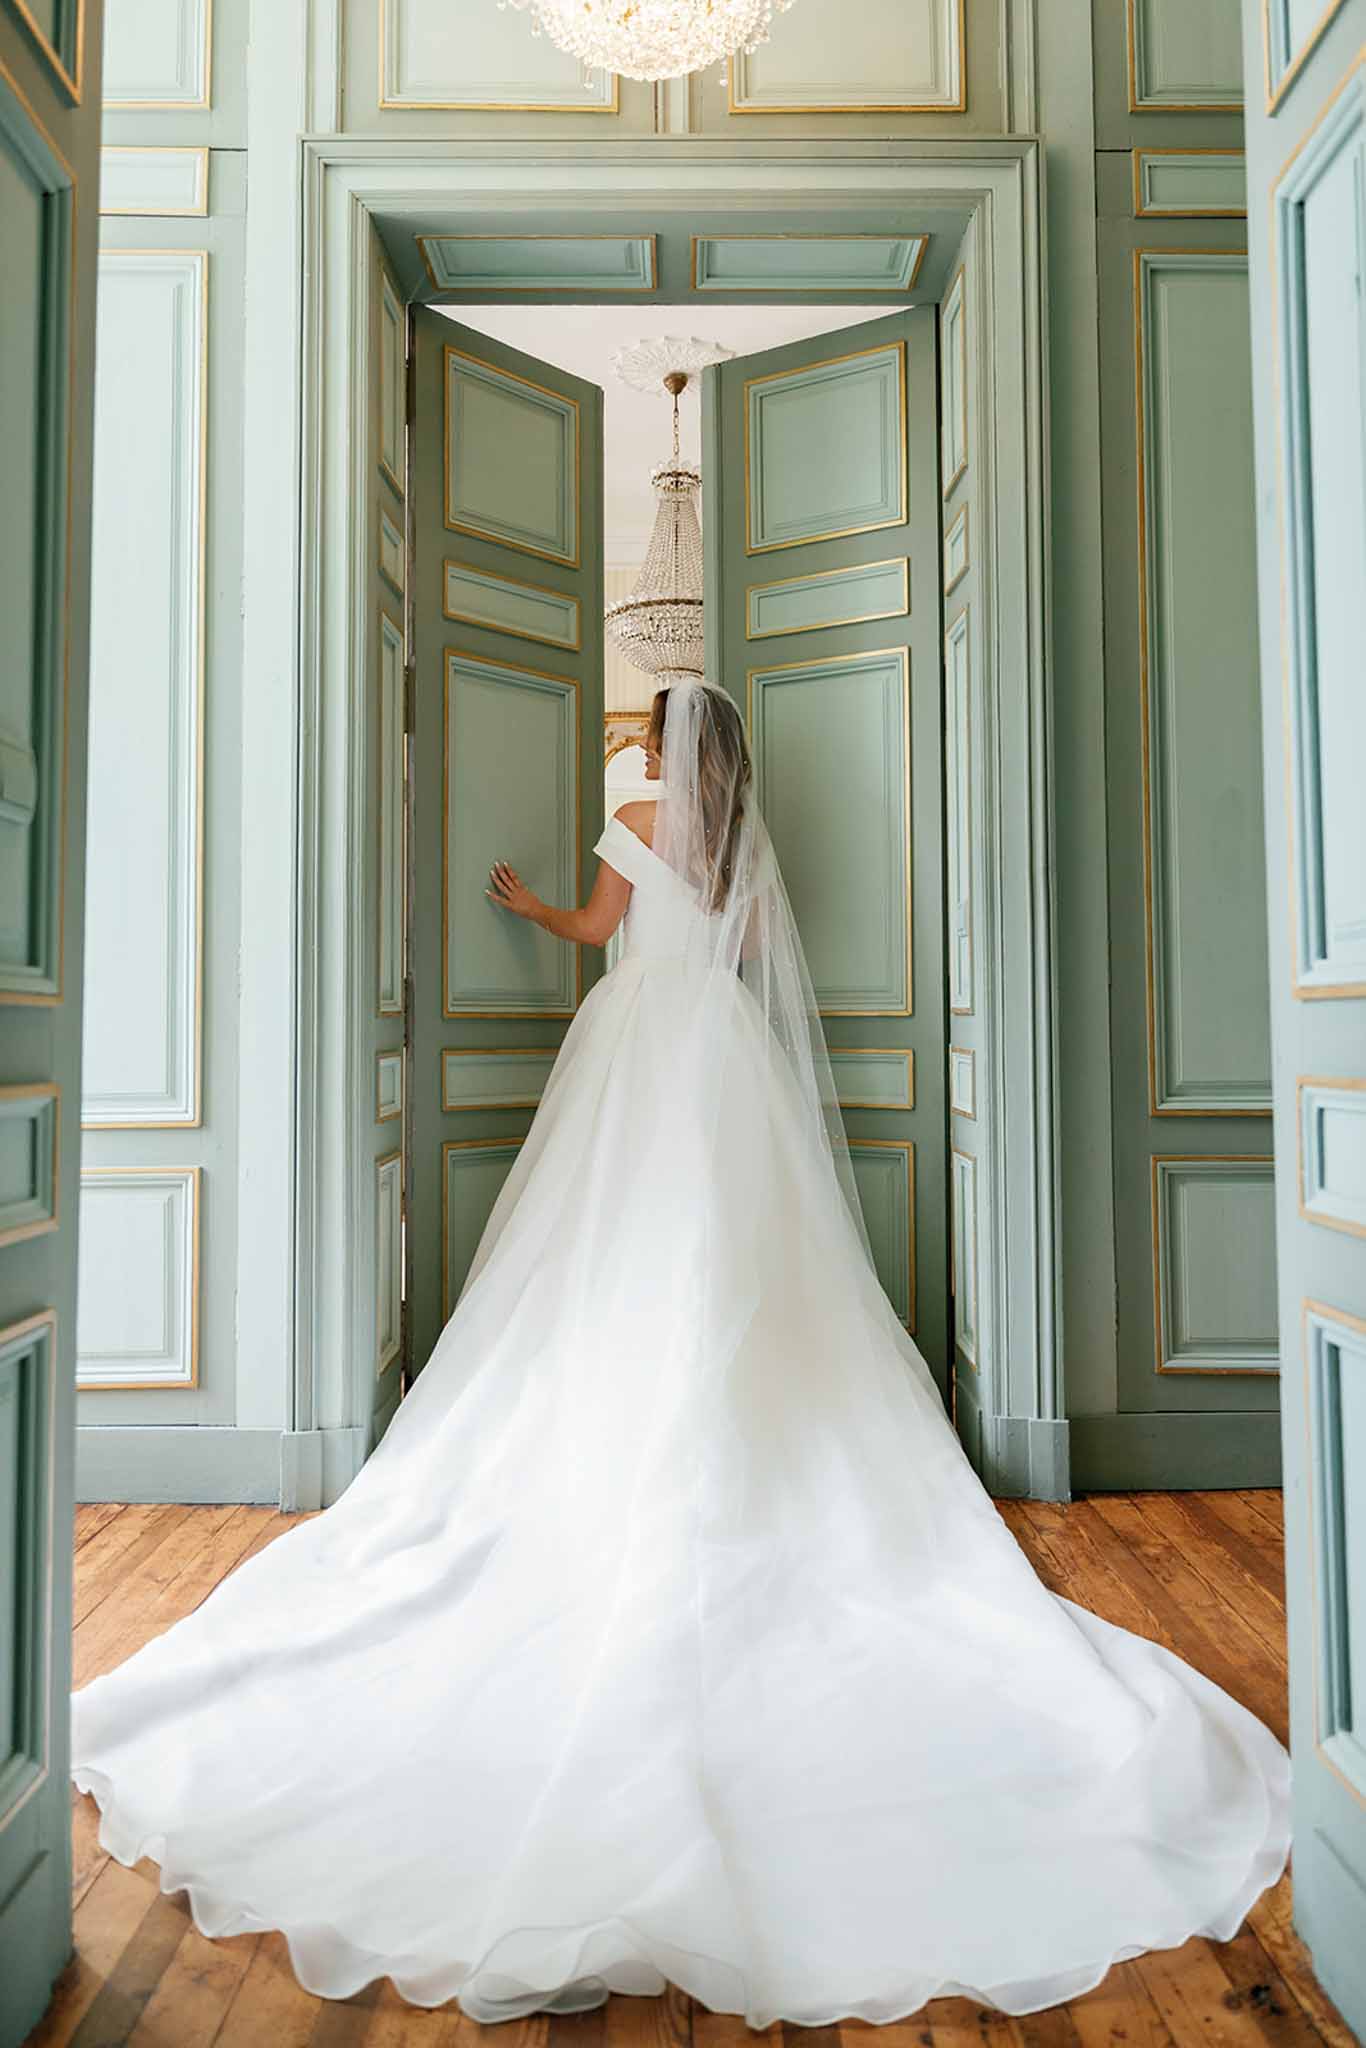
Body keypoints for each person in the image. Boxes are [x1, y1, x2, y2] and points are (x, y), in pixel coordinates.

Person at [71, 677, 1290, 2027]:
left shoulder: (635, 812)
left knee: (600, 1251)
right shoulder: (735, 832)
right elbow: (758, 962)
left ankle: (613, 1425)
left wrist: (533, 909)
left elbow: (601, 930)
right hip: (720, 1057)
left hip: (635, 1047)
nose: (641, 750)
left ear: (659, 745)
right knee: (736, 1260)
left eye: (646, 733)